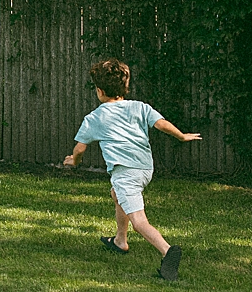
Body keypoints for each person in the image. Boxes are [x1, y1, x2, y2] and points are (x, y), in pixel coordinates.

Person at [63, 57, 202, 280]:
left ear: (99, 91)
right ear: (125, 87)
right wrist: (181, 136)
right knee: (116, 194)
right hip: (145, 169)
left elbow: (79, 149)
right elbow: (162, 124)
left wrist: (74, 162)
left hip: (125, 173)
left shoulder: (95, 117)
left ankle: (167, 252)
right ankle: (120, 241)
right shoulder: (140, 107)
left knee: (139, 221)